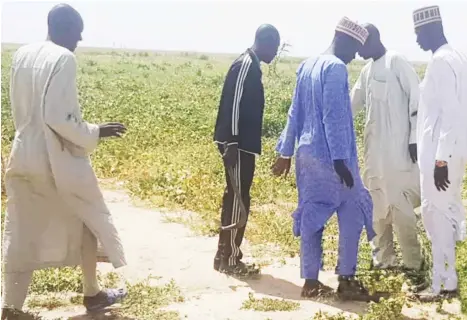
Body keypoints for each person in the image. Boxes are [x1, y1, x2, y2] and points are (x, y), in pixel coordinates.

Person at [2, 4, 128, 318]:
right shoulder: (63, 58)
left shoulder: (22, 54)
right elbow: (57, 117)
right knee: (87, 217)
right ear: (61, 28)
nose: (80, 38)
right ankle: (92, 294)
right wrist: (96, 132)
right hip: (54, 159)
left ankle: (10, 307)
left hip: (22, 151)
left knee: (21, 230)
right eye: (76, 31)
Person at [272, 17, 382, 302]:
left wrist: (285, 152)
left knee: (312, 215)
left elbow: (294, 112)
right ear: (343, 39)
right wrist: (340, 162)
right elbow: (333, 117)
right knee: (353, 209)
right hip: (332, 158)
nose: (356, 55)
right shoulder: (334, 68)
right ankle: (346, 280)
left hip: (306, 157)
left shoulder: (307, 65)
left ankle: (310, 282)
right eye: (355, 48)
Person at [350, 24, 423, 273]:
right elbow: (352, 103)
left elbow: (417, 98)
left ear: (374, 39)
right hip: (375, 155)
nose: (359, 52)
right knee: (376, 207)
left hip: (400, 152)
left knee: (401, 208)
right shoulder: (367, 70)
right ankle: (384, 261)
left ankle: (414, 264)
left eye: (362, 45)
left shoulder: (396, 61)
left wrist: (414, 138)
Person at [213, 24, 280, 276]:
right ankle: (230, 259)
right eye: (275, 47)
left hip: (242, 145)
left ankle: (224, 255)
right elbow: (232, 104)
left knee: (236, 196)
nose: (275, 54)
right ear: (265, 42)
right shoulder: (245, 65)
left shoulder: (251, 65)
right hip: (237, 145)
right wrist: (230, 142)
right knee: (238, 199)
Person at [411, 5, 467, 302]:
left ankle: (441, 285)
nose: (417, 39)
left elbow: (450, 114)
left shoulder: (441, 62)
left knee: (436, 217)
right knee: (445, 214)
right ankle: (448, 279)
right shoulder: (455, 56)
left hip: (440, 157)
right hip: (451, 153)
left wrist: (441, 160)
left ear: (431, 29)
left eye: (418, 33)